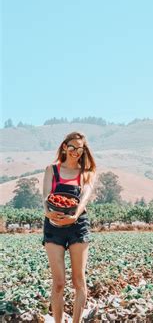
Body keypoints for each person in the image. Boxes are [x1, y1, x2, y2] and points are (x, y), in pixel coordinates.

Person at [42, 132, 96, 323]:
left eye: (79, 148)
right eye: (71, 147)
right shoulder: (52, 170)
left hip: (77, 226)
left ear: (83, 150)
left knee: (78, 281)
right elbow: (46, 197)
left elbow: (84, 199)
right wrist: (48, 213)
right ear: (64, 147)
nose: (74, 151)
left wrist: (73, 216)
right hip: (53, 226)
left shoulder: (87, 173)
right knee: (58, 283)